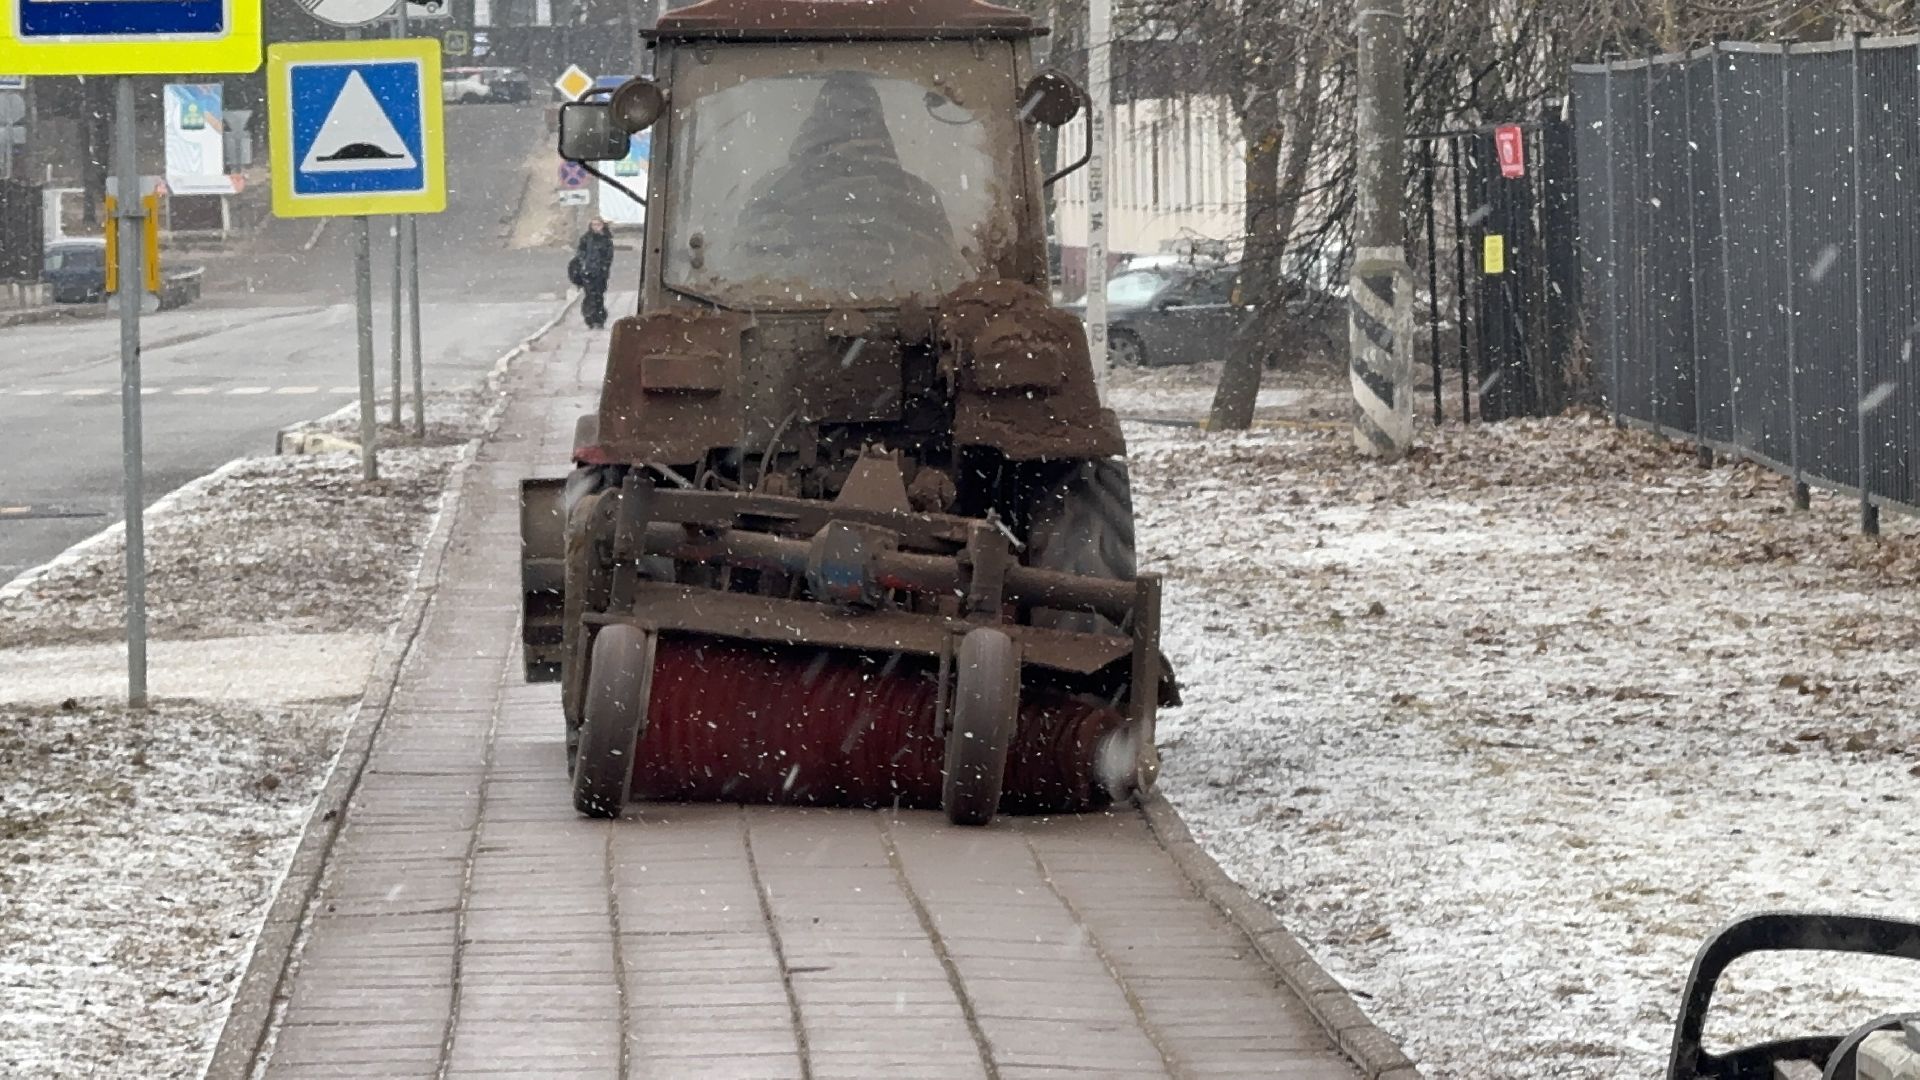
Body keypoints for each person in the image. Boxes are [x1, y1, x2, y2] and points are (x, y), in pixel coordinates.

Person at [732, 72, 957, 295]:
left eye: (860, 114)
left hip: (790, 321)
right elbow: (949, 281)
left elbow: (745, 282)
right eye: (844, 114)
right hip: (909, 325)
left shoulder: (773, 190)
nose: (851, 124)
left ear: (817, 118)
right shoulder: (918, 195)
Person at [573, 218, 615, 329]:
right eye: (594, 225)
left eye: (598, 225)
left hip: (600, 273)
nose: (596, 227)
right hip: (587, 272)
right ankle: (590, 317)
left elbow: (609, 256)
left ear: (602, 226)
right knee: (590, 294)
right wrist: (584, 263)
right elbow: (580, 252)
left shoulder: (606, 240)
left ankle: (599, 317)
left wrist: (603, 267)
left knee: (599, 295)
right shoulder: (586, 239)